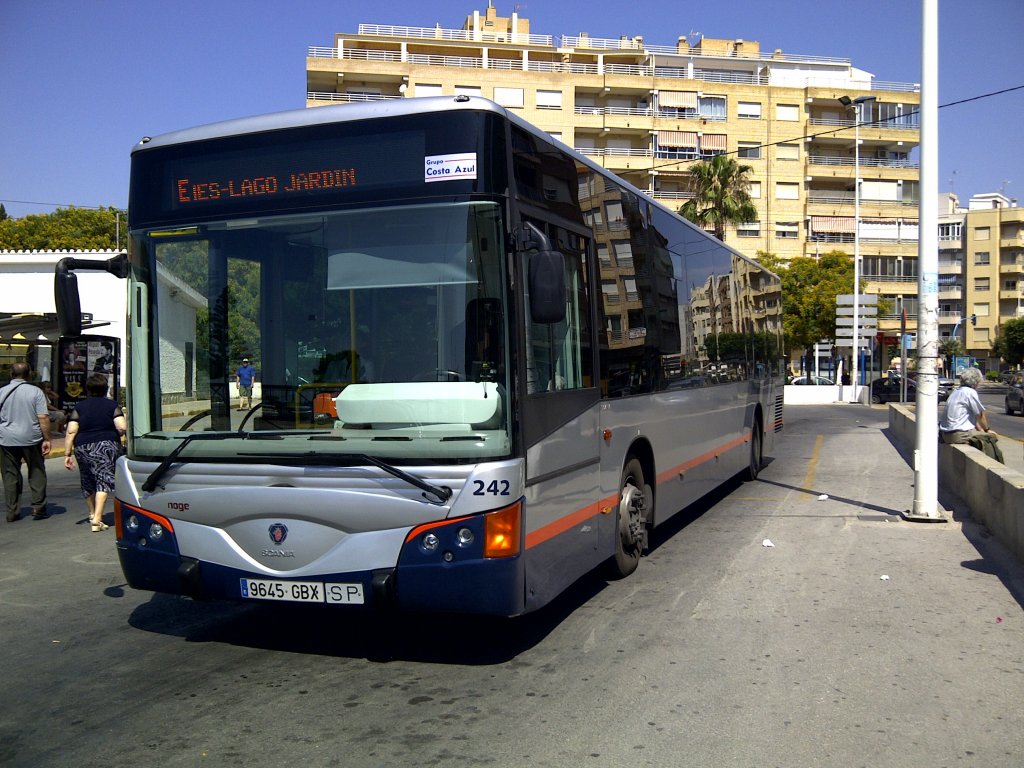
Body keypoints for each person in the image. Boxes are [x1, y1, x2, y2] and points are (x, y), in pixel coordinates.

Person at [63, 374, 127, 532]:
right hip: (105, 445)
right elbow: (121, 427)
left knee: (87, 480)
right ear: (106, 389)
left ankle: (92, 513)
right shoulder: (112, 406)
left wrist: (67, 453)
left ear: (88, 390)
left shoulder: (79, 407)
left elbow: (71, 431)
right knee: (103, 479)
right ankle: (98, 519)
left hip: (82, 446)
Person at [0, 362, 51, 522]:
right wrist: (47, 438)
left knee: (9, 475)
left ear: (11, 374)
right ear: (29, 375)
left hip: (7, 439)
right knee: (36, 471)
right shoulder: (36, 392)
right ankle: (38, 507)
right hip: (32, 438)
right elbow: (43, 417)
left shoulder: (1, 391)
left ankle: (12, 511)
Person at [938, 366, 1004, 463]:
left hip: (945, 434)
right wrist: (987, 430)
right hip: (958, 434)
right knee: (989, 440)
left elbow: (974, 415)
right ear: (976, 382)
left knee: (981, 435)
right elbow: (981, 415)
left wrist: (980, 429)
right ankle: (994, 464)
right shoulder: (970, 392)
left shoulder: (956, 391)